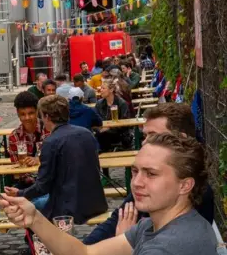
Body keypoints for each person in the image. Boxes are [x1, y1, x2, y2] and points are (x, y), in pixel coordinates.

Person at [1, 133, 225, 255]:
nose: (137, 182)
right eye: (136, 171)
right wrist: (35, 218)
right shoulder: (155, 226)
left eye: (151, 174)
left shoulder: (171, 247)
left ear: (185, 185)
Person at [84, 103, 215, 244]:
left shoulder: (197, 193)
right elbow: (119, 217)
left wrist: (125, 240)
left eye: (154, 136)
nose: (145, 142)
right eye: (145, 136)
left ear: (181, 139)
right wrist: (85, 246)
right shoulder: (145, 182)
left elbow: (170, 252)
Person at [5, 95, 107, 224]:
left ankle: (39, 240)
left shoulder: (51, 141)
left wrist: (20, 193)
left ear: (46, 117)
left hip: (69, 206)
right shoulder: (86, 133)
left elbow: (43, 186)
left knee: (34, 206)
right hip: (95, 201)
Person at [7, 91, 51, 209]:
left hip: (48, 183)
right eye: (23, 114)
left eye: (31, 113)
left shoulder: (49, 130)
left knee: (38, 204)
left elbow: (57, 161)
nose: (27, 118)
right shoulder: (14, 137)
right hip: (27, 185)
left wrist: (39, 159)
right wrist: (24, 170)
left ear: (37, 111)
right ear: (18, 114)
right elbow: (17, 171)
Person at [95, 80, 131, 151]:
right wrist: (99, 128)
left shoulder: (121, 103)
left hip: (119, 134)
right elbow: (95, 120)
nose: (101, 90)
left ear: (111, 90)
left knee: (102, 136)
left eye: (103, 88)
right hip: (102, 132)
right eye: (100, 88)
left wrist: (109, 128)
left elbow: (125, 123)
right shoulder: (99, 103)